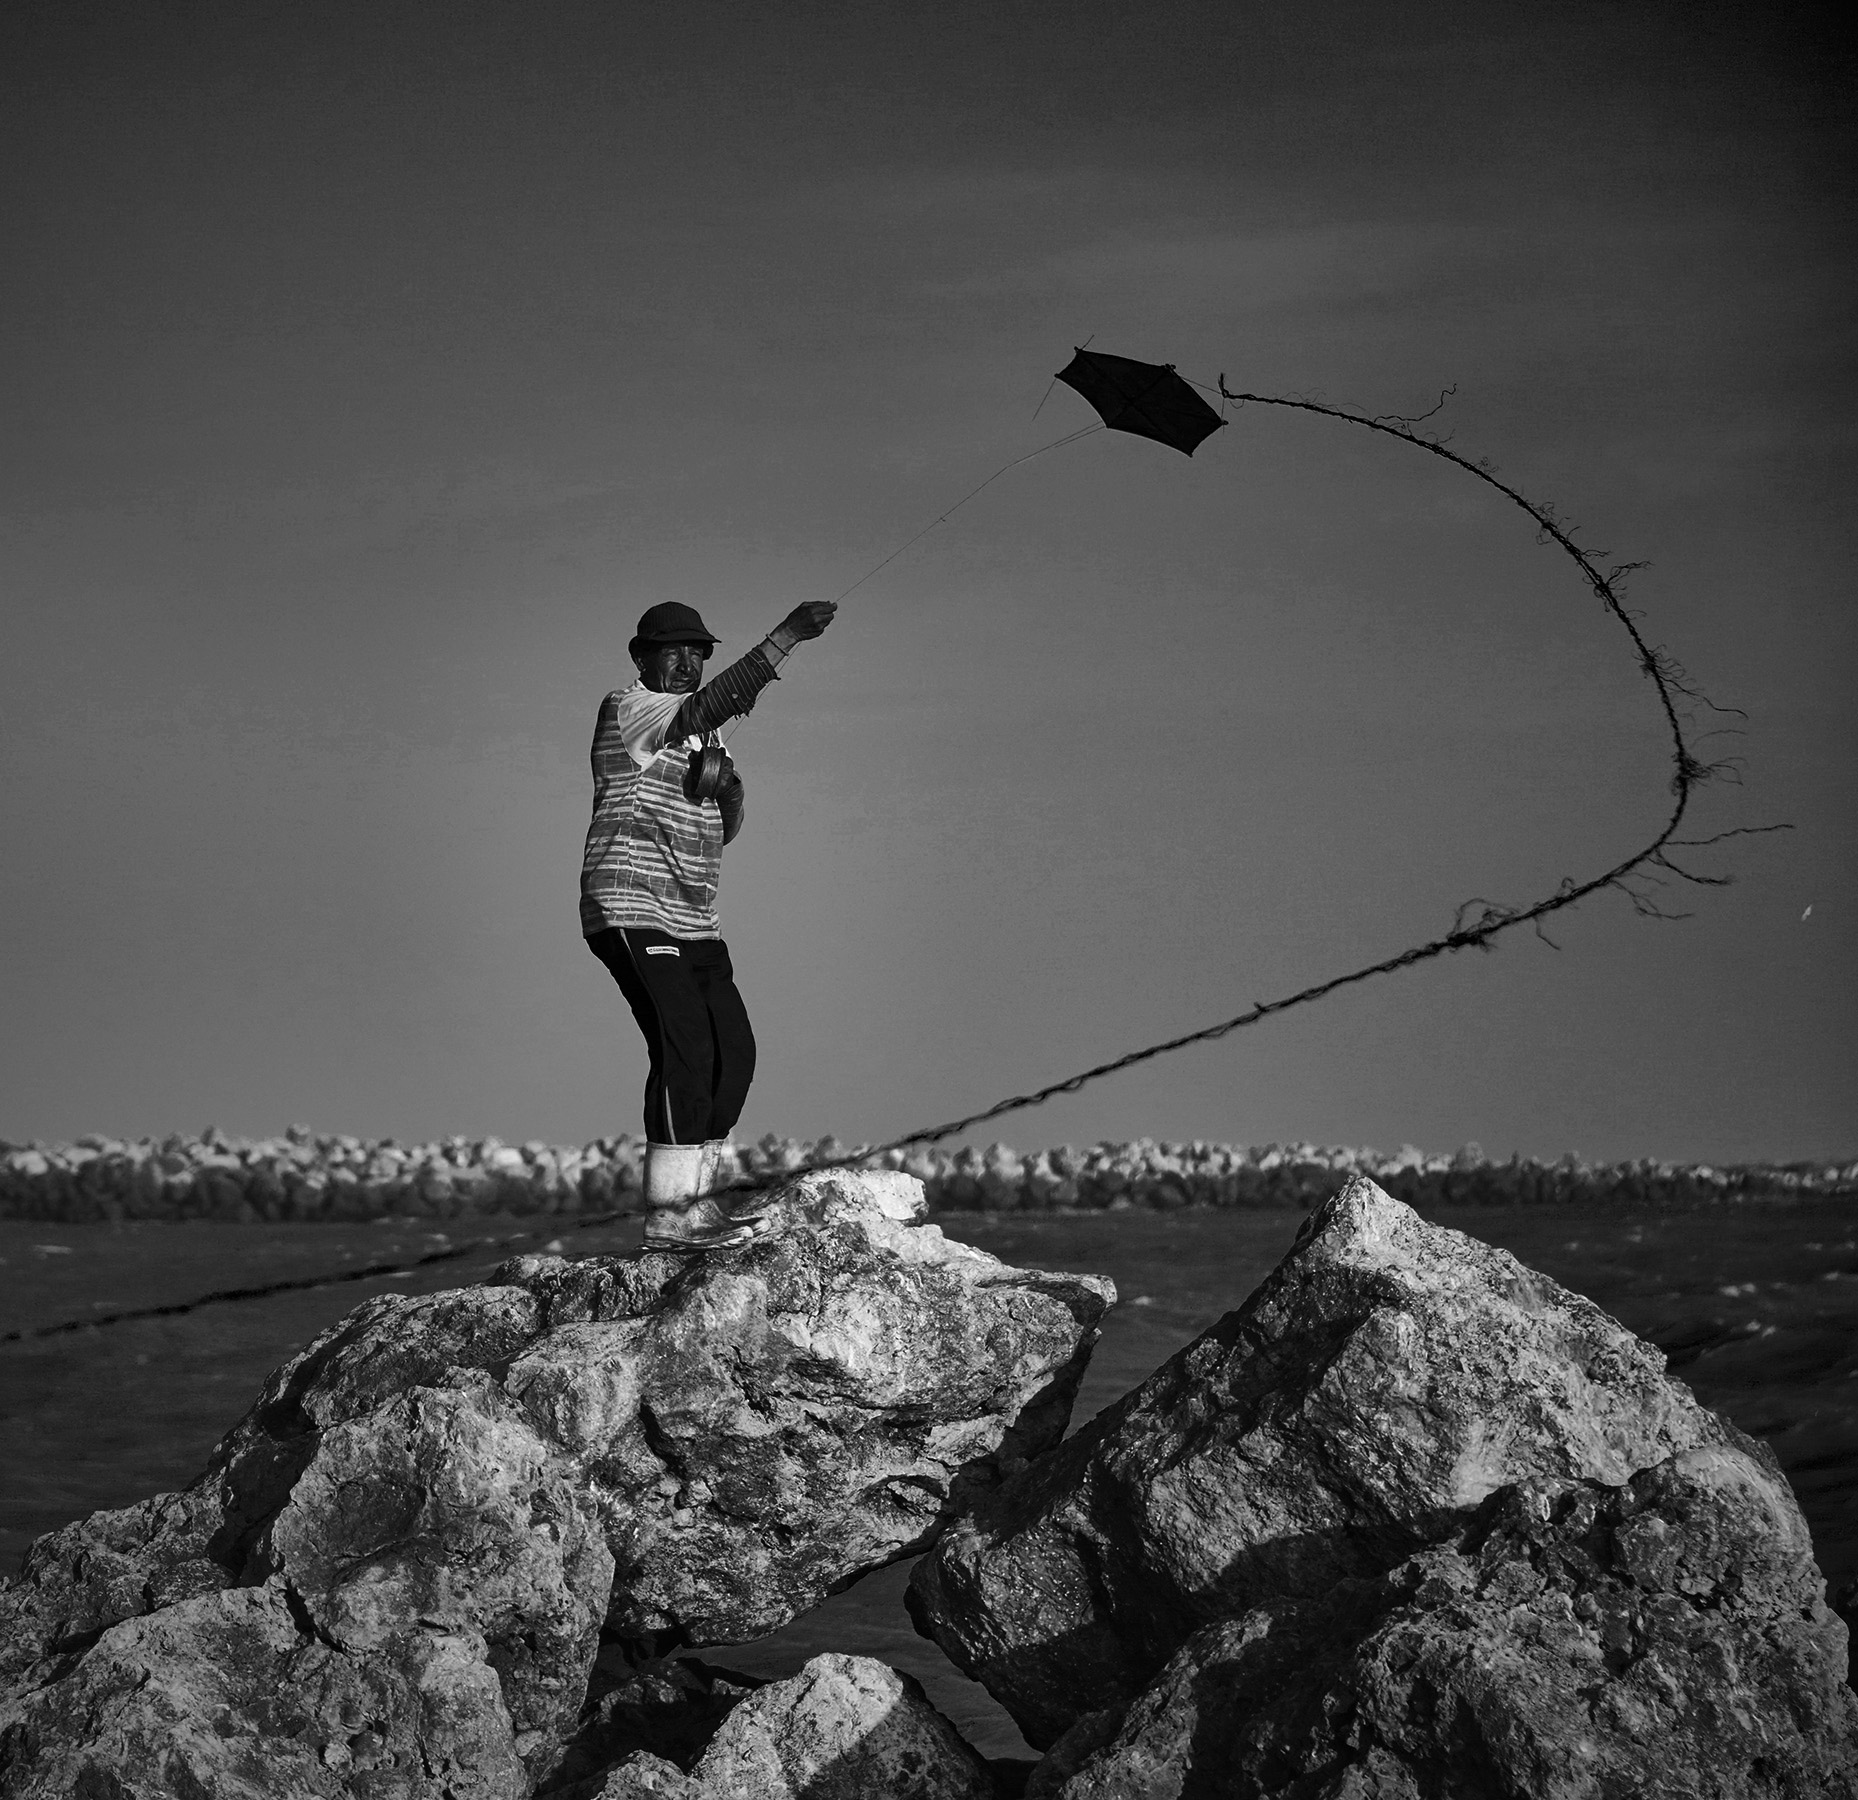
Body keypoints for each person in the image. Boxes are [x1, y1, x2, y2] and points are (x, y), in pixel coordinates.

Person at [581, 597, 837, 1251]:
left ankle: (698, 1206)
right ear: (641, 658)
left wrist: (729, 791)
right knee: (685, 1048)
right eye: (673, 650)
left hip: (694, 920)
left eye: (697, 652)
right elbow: (705, 706)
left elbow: (723, 830)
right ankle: (670, 1216)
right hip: (631, 908)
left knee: (734, 1057)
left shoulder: (706, 736)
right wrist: (784, 639)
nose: (687, 661)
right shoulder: (631, 708)